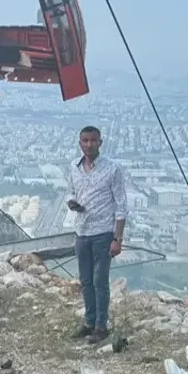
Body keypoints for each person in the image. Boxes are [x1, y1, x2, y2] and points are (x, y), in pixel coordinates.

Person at [66, 126, 128, 345]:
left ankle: (102, 325)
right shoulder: (74, 167)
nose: (89, 144)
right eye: (85, 140)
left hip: (103, 233)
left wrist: (117, 239)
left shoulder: (112, 169)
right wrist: (72, 203)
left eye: (93, 140)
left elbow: (121, 205)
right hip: (82, 230)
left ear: (100, 142)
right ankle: (89, 322)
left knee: (99, 281)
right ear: (80, 142)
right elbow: (72, 191)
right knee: (85, 281)